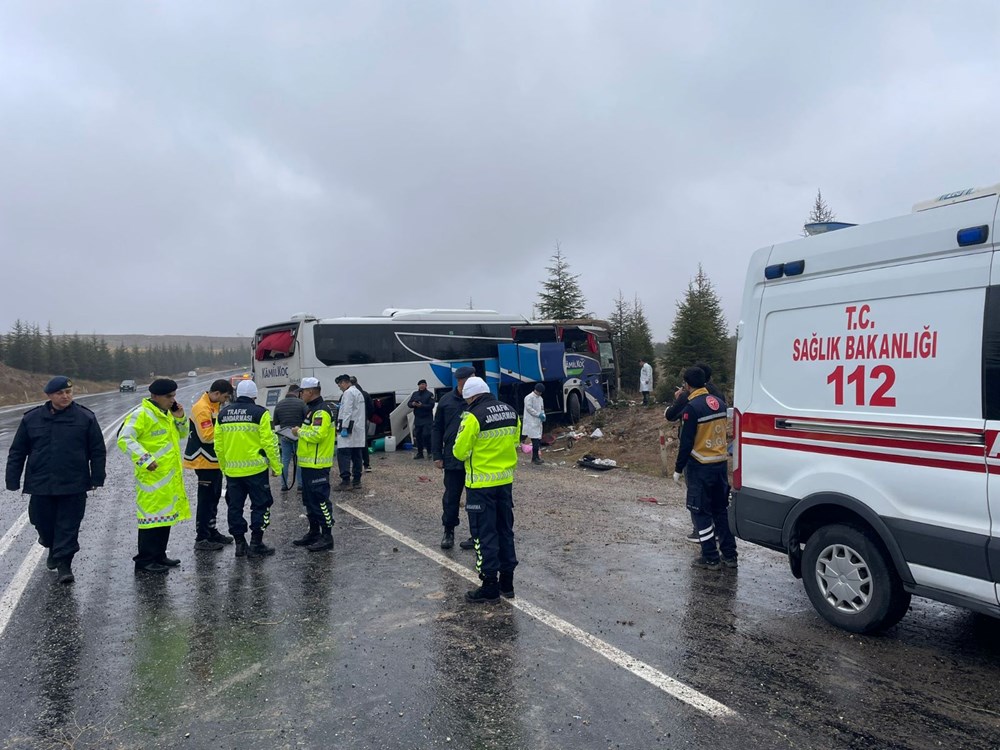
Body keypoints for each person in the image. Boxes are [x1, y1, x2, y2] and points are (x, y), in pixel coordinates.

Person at [5, 376, 106, 584]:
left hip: (73, 483)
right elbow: (17, 451)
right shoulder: (31, 419)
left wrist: (97, 476)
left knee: (68, 526)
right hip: (41, 483)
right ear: (50, 395)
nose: (65, 396)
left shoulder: (85, 417)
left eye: (68, 392)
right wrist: (12, 479)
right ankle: (51, 545)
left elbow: (97, 451)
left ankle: (64, 565)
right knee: (41, 522)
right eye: (60, 393)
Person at [452, 376, 521, 602]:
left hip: (480, 485)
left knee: (483, 534)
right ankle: (507, 583)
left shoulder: (472, 416)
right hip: (505, 482)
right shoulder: (510, 411)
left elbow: (459, 451)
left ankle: (489, 585)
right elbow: (515, 442)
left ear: (471, 396)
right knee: (505, 530)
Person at [117, 378, 191, 574]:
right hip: (151, 478)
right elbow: (124, 438)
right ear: (155, 396)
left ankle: (159, 555)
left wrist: (180, 416)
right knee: (151, 519)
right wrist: (145, 459)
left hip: (168, 477)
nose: (172, 400)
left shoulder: (167, 414)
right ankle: (145, 560)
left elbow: (183, 434)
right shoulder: (142, 414)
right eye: (169, 396)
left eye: (174, 396)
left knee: (164, 518)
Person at [672, 366, 737, 570]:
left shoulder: (692, 407)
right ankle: (730, 555)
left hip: (700, 466)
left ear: (688, 384)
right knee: (721, 512)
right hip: (719, 465)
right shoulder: (719, 403)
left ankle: (710, 557)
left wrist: (678, 468)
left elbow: (686, 442)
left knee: (700, 513)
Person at [214, 380, 281, 558]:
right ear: (254, 395)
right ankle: (256, 543)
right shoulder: (260, 413)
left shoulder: (223, 414)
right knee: (261, 505)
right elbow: (270, 443)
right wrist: (276, 466)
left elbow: (218, 446)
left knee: (234, 507)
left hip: (233, 472)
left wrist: (224, 467)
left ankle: (240, 544)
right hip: (256, 471)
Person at [665, 362, 725, 544]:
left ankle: (702, 537)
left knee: (698, 502)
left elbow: (673, 418)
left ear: (689, 383)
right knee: (719, 506)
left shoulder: (690, 401)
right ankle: (725, 548)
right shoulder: (719, 397)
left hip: (698, 457)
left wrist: (678, 467)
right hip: (719, 456)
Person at [182, 378, 235, 551]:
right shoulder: (201, 408)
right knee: (205, 500)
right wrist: (229, 434)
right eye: (225, 397)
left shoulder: (214, 405)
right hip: (204, 461)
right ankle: (202, 537)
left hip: (214, 461)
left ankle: (212, 531)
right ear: (217, 393)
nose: (225, 400)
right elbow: (206, 436)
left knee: (213, 498)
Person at [432, 366, 475, 550]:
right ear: (459, 381)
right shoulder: (446, 401)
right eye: (467, 380)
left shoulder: (477, 401)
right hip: (452, 458)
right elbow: (437, 428)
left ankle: (476, 534)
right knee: (451, 497)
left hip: (475, 458)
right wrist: (437, 455)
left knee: (475, 499)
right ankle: (448, 531)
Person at [292, 377, 335, 551]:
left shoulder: (321, 411)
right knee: (309, 501)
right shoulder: (312, 410)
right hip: (308, 464)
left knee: (321, 501)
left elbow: (318, 435)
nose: (300, 395)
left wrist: (299, 431)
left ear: (310, 392)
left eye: (302, 392)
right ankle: (314, 532)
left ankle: (327, 536)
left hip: (318, 465)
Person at [334, 374, 365, 490]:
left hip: (348, 429)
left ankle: (345, 480)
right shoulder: (358, 392)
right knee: (357, 455)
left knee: (343, 455)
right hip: (358, 429)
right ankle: (357, 480)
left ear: (344, 382)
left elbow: (347, 411)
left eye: (339, 385)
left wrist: (344, 427)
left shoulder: (347, 393)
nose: (339, 387)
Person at [273, 384, 307, 491]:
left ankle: (284, 485)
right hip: (298, 435)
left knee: (285, 461)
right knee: (299, 460)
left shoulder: (279, 404)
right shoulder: (301, 403)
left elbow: (276, 422)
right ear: (297, 393)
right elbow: (306, 419)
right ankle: (300, 485)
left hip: (285, 435)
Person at [350, 376, 375, 473]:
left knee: (352, 443)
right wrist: (366, 416)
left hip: (350, 423)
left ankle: (355, 465)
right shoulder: (365, 394)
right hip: (363, 421)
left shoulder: (347, 394)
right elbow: (371, 408)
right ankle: (366, 464)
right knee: (363, 442)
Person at [408, 379, 435, 459]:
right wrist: (413, 404)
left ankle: (429, 452)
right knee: (418, 436)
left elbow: (431, 405)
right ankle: (420, 453)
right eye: (420, 384)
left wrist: (422, 406)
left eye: (423, 384)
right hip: (418, 418)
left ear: (426, 385)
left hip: (427, 418)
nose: (422, 386)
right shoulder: (415, 394)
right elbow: (408, 404)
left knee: (426, 435)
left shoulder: (429, 394)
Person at [522, 383, 546, 465]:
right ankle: (535, 458)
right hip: (531, 422)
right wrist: (538, 414)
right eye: (539, 392)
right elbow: (529, 408)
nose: (540, 393)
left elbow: (542, 408)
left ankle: (535, 457)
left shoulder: (540, 398)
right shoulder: (529, 397)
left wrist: (543, 415)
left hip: (538, 422)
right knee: (535, 441)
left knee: (538, 440)